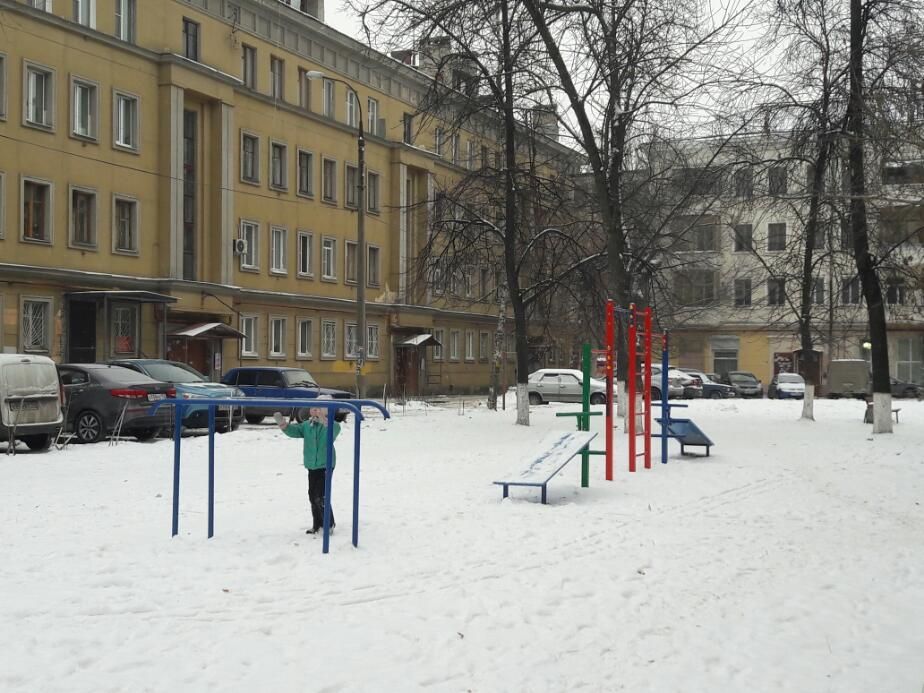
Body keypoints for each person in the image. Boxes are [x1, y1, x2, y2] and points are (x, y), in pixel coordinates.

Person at [276, 396, 341, 535]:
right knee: (312, 495)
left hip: (326, 465)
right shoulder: (307, 425)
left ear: (325, 411)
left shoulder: (332, 425)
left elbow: (333, 431)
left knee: (321, 496)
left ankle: (328, 524)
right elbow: (295, 431)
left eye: (318, 409)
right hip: (312, 465)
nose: (314, 411)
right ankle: (317, 524)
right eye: (312, 408)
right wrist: (284, 425)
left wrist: (324, 420)